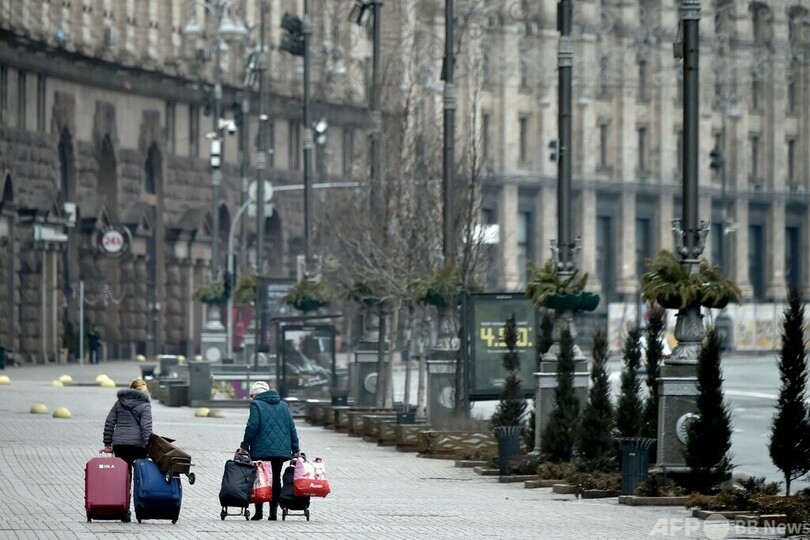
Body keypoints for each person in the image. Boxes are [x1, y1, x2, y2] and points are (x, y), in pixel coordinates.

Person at [239, 380, 300, 521]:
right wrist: (296, 448)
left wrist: (244, 445)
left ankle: (258, 512)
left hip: (261, 449)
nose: (251, 399)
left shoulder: (256, 404)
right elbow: (291, 427)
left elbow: (252, 426)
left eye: (252, 396)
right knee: (276, 479)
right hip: (281, 450)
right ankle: (273, 513)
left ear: (255, 395)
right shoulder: (284, 405)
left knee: (260, 478)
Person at [102, 378, 153, 469]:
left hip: (120, 444)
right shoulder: (145, 406)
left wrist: (108, 444)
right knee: (140, 471)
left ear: (130, 388)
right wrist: (148, 445)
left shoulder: (119, 403)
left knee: (123, 471)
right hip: (138, 445)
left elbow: (109, 423)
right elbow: (146, 427)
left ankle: (125, 479)